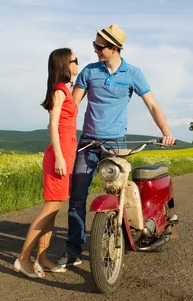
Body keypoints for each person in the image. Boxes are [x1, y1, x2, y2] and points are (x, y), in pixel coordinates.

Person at [56, 24, 176, 268]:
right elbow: (73, 106)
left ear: (114, 48)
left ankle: (116, 237)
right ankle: (73, 251)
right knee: (77, 198)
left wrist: (166, 132)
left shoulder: (133, 73)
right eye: (95, 45)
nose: (95, 50)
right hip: (88, 142)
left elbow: (151, 105)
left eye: (99, 47)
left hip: (116, 145)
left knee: (119, 195)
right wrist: (57, 113)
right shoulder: (89, 72)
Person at [14, 47, 79, 279]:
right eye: (75, 60)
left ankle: (42, 257)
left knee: (54, 210)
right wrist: (60, 156)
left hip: (67, 154)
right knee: (48, 209)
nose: (77, 64)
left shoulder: (67, 90)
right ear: (65, 65)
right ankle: (23, 259)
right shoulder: (59, 90)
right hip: (58, 157)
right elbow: (52, 125)